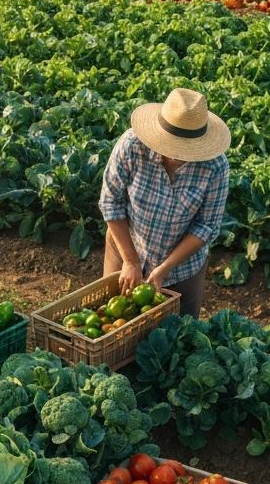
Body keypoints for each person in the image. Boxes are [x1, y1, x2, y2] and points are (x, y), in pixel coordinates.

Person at [98, 87, 230, 319]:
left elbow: (206, 226)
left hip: (182, 269)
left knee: (177, 334)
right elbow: (111, 202)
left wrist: (163, 269)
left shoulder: (215, 166)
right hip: (126, 250)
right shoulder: (132, 146)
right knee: (115, 325)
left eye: (185, 149)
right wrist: (130, 261)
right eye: (171, 145)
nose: (175, 154)